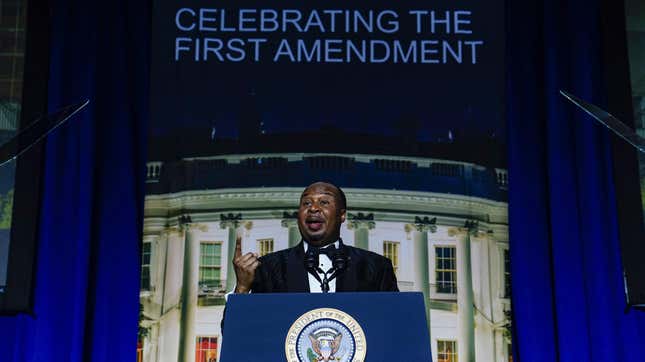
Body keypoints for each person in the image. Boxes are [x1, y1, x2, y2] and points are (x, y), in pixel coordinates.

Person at [232, 181, 399, 293]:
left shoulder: (376, 267)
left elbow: (395, 327)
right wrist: (242, 287)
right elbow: (236, 333)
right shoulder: (268, 268)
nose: (313, 208)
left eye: (324, 202)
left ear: (342, 215)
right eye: (306, 203)